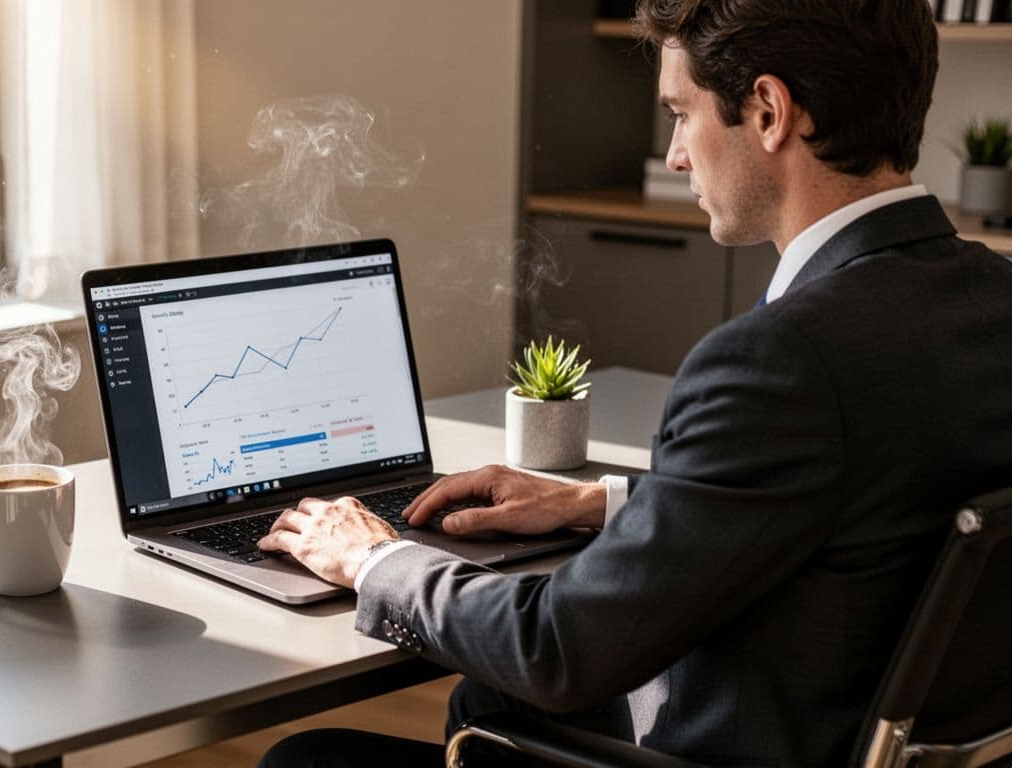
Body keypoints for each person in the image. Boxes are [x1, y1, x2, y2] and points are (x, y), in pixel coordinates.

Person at [255, 0, 1012, 766]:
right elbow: (845, 495)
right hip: (866, 731)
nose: (677, 155)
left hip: (741, 743)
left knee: (306, 760)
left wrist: (373, 560)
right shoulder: (992, 297)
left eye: (681, 114)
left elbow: (557, 647)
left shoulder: (779, 361)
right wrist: (598, 502)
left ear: (769, 111)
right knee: (488, 703)